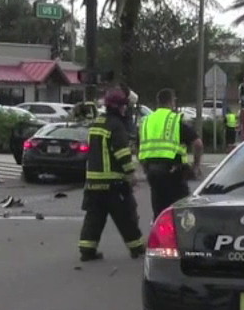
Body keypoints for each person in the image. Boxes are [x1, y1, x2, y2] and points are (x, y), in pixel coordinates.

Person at [77, 89, 146, 262]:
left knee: (94, 218)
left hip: (93, 182)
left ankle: (87, 250)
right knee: (127, 216)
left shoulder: (96, 123)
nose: (125, 109)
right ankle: (137, 247)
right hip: (113, 182)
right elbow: (122, 152)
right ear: (118, 107)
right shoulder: (116, 125)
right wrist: (131, 173)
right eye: (124, 106)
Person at [137, 88, 203, 219]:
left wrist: (145, 167)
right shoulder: (174, 120)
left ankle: (159, 234)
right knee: (182, 213)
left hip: (152, 173)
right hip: (173, 174)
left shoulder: (146, 121)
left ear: (158, 102)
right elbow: (198, 144)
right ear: (171, 102)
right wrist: (195, 166)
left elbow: (139, 148)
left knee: (159, 213)